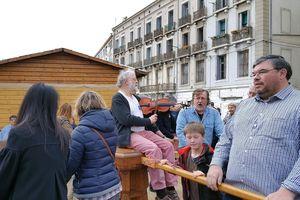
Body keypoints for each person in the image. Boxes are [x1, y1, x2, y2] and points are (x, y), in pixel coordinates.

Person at [207, 55, 300, 200]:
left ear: (282, 73)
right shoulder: (244, 105)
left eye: (262, 72)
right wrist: (216, 164)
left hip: (273, 197)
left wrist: (290, 189)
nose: (256, 77)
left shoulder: (297, 104)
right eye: (254, 74)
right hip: (231, 193)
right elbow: (226, 139)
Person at [111, 69, 179, 200]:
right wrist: (148, 120)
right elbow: (126, 119)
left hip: (142, 132)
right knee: (154, 150)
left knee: (168, 146)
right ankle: (160, 191)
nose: (136, 81)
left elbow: (148, 121)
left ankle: (170, 186)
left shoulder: (136, 98)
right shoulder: (118, 98)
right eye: (134, 79)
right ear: (125, 82)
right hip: (128, 134)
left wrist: (163, 136)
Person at [0, 83, 70, 200]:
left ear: (28, 104)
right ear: (54, 106)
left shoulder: (20, 134)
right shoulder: (62, 135)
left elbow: (5, 177)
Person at [67, 91, 121, 200]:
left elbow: (70, 166)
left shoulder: (79, 132)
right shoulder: (112, 126)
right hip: (114, 187)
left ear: (80, 108)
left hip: (91, 192)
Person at [178, 122, 221, 200]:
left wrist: (205, 175)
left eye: (196, 137)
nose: (192, 140)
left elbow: (220, 177)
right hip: (190, 194)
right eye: (189, 137)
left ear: (203, 137)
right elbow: (178, 167)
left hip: (207, 196)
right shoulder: (184, 154)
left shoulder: (212, 156)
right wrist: (169, 164)